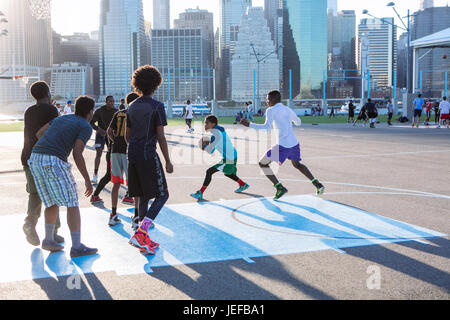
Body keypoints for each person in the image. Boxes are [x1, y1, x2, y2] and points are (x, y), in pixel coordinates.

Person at [28, 96, 98, 258]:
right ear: (90, 112)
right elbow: (77, 153)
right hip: (53, 160)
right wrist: (88, 180)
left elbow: (40, 133)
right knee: (72, 202)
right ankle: (77, 246)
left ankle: (48, 239)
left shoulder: (62, 118)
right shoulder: (85, 126)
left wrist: (53, 144)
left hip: (36, 157)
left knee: (51, 201)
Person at [240, 90, 324, 200]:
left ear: (274, 99)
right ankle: (318, 184)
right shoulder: (287, 109)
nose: (267, 101)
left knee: (263, 163)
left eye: (268, 99)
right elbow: (298, 122)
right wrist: (290, 121)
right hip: (294, 143)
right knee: (297, 165)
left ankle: (279, 187)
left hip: (283, 145)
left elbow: (266, 127)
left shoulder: (271, 110)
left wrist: (249, 124)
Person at [126, 65, 174, 255]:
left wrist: (137, 145)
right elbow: (161, 137)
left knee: (143, 196)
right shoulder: (157, 107)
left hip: (133, 155)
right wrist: (168, 161)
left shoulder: (132, 106)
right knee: (163, 195)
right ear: (156, 84)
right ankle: (142, 232)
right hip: (148, 155)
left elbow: (127, 136)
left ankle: (142, 238)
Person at [21, 81, 64, 247]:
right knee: (53, 194)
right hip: (45, 157)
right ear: (48, 93)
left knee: (34, 193)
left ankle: (30, 222)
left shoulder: (28, 111)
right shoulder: (51, 110)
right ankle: (53, 231)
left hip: (27, 156)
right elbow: (55, 130)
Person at [191, 115, 250, 201]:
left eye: (207, 123)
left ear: (213, 124)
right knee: (227, 173)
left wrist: (203, 146)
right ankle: (243, 184)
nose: (205, 125)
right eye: (205, 123)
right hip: (232, 155)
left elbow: (210, 151)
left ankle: (200, 193)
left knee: (209, 171)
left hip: (229, 158)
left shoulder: (215, 135)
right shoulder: (219, 130)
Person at [106, 92, 140, 227]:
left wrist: (115, 141)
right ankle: (137, 217)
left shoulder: (118, 113)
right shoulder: (136, 114)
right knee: (135, 184)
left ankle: (113, 214)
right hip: (129, 152)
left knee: (115, 184)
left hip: (115, 151)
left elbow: (109, 130)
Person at [90, 96, 118, 184]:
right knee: (99, 153)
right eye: (110, 101)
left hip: (111, 135)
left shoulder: (116, 111)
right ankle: (95, 175)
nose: (112, 103)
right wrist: (98, 129)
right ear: (106, 102)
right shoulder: (99, 110)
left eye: (113, 101)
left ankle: (110, 174)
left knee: (111, 155)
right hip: (100, 134)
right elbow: (92, 122)